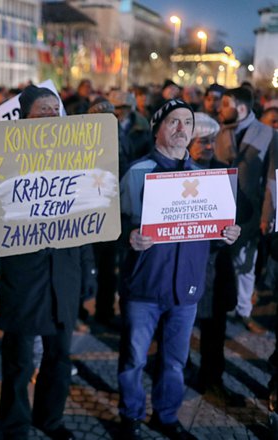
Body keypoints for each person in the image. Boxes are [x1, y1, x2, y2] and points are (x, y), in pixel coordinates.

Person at [117, 99, 241, 440]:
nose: (181, 128)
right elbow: (113, 228)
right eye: (173, 121)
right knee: (133, 359)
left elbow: (210, 235)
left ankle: (166, 416)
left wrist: (225, 235)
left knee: (175, 361)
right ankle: (130, 416)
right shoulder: (137, 171)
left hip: (185, 287)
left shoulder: (206, 178)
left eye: (187, 122)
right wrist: (128, 236)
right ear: (158, 128)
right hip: (144, 285)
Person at [0, 85, 95, 440]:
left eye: (56, 109)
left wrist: (87, 270)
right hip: (23, 274)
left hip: (64, 272)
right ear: (25, 117)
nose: (52, 115)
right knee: (20, 359)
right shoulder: (4, 158)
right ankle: (14, 425)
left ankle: (49, 419)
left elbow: (87, 217)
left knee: (59, 355)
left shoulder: (76, 157)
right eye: (43, 110)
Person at [187, 113, 244, 406]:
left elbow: (241, 211)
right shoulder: (175, 175)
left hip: (216, 264)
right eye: (202, 141)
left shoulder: (223, 172)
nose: (209, 146)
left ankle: (213, 378)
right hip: (185, 264)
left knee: (215, 327)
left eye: (211, 140)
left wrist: (235, 231)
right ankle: (178, 373)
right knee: (179, 325)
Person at [215, 87, 278, 334]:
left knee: (245, 265)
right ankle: (218, 307)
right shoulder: (217, 132)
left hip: (249, 214)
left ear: (240, 108)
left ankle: (243, 311)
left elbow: (272, 179)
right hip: (218, 210)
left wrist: (267, 215)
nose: (220, 109)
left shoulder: (268, 135)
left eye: (225, 104)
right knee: (218, 263)